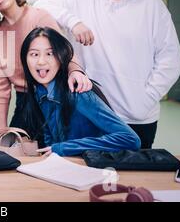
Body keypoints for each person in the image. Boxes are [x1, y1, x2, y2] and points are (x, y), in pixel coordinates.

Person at [34, 0, 180, 148]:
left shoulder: (151, 5)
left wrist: (145, 99)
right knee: (95, 175)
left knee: (137, 177)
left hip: (138, 117)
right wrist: (74, 22)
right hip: (97, 115)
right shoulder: (84, 1)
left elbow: (171, 59)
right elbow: (40, 4)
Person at [0, 0, 93, 132]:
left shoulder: (39, 17)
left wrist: (76, 71)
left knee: (57, 154)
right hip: (24, 104)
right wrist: (2, 127)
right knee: (15, 153)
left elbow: (65, 51)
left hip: (54, 98)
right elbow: (0, 83)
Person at [20, 27, 140, 156]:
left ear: (60, 57)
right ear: (25, 59)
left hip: (92, 168)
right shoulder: (39, 92)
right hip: (66, 168)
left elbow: (131, 139)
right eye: (34, 54)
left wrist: (66, 148)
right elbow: (52, 141)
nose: (41, 61)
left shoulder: (78, 93)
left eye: (50, 53)